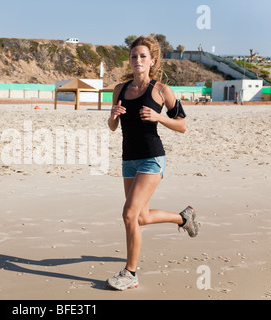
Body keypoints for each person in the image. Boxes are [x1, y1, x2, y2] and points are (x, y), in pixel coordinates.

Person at [106, 35, 199, 291]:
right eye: (134, 56)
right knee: (141, 217)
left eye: (143, 56)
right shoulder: (120, 90)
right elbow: (113, 127)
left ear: (152, 61)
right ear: (130, 59)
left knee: (128, 215)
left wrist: (160, 117)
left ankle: (130, 273)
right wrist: (112, 117)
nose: (138, 60)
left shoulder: (161, 90)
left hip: (152, 158)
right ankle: (183, 219)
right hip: (129, 160)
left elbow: (182, 126)